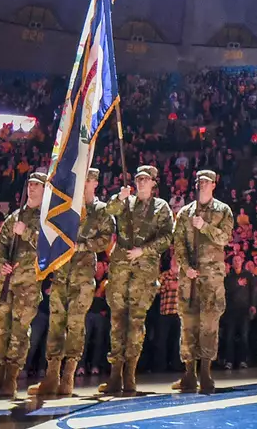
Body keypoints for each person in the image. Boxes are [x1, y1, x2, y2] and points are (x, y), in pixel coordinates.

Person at [34, 177, 111, 400]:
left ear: (95, 182)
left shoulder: (100, 210)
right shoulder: (67, 206)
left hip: (83, 276)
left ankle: (68, 374)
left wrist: (82, 245)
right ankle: (51, 375)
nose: (82, 183)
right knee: (56, 323)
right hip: (62, 273)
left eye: (87, 180)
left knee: (76, 324)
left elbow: (105, 240)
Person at [99, 165, 173, 396]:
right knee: (117, 321)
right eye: (138, 179)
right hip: (120, 268)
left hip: (144, 271)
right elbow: (109, 210)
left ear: (153, 183)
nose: (141, 183)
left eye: (145, 179)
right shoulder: (126, 202)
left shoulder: (161, 207)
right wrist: (119, 196)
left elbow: (167, 237)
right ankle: (114, 375)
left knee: (135, 322)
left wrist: (144, 250)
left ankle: (129, 374)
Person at [0, 172, 48, 400]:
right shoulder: (14, 216)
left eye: (38, 185)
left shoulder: (47, 218)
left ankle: (10, 380)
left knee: (19, 333)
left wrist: (25, 231)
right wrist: (0, 264)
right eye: (31, 184)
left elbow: (48, 247)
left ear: (46, 190)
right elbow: (1, 246)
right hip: (6, 282)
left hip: (28, 284)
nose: (33, 188)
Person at [171, 168, 233, 395]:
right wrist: (185, 267)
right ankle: (189, 373)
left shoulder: (223, 210)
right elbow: (178, 243)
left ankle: (205, 371)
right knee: (188, 323)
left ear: (214, 184)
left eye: (207, 182)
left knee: (209, 323)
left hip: (212, 277)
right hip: (190, 277)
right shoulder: (185, 212)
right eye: (200, 182)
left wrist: (204, 227)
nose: (203, 185)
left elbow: (225, 238)